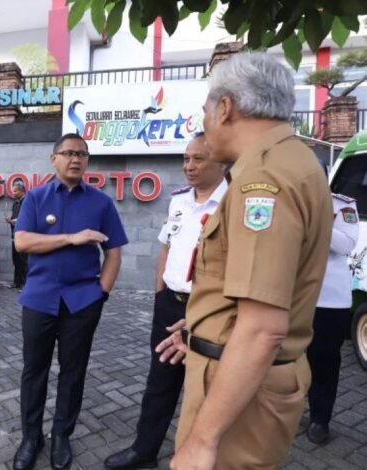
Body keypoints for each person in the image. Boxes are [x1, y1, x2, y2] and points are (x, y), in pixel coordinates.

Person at [156, 52, 332, 469]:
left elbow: (261, 330)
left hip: (240, 390)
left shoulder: (263, 181)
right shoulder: (295, 161)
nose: (204, 124)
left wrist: (202, 441)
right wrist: (202, 323)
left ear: (225, 107)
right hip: (242, 374)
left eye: (205, 110)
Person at [104, 133, 227, 470]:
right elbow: (166, 248)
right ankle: (144, 451)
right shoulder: (178, 202)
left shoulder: (233, 205)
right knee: (159, 381)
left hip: (209, 311)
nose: (189, 165)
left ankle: (197, 456)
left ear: (220, 161)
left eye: (198, 159)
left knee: (205, 387)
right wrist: (160, 291)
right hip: (169, 304)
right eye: (186, 158)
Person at [12, 133, 128, 470]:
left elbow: (114, 251)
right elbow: (22, 242)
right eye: (68, 153)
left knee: (73, 371)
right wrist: (70, 238)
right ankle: (31, 437)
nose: (75, 159)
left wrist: (101, 293)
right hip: (39, 299)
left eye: (81, 154)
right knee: (35, 371)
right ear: (54, 159)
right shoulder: (35, 198)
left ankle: (62, 435)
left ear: (87, 160)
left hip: (82, 302)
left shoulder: (101, 203)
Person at [306, 192, 359, 444]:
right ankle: (285, 410)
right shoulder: (283, 199)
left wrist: (316, 221)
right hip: (291, 297)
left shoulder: (342, 205)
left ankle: (320, 418)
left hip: (328, 300)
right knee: (283, 360)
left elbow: (347, 244)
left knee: (324, 362)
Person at [6, 181, 28, 290]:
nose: (13, 193)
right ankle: (16, 282)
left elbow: (28, 218)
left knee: (24, 261)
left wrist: (17, 221)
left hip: (24, 237)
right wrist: (10, 220)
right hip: (14, 236)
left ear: (21, 191)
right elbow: (14, 217)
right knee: (16, 260)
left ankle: (25, 285)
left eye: (15, 191)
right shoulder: (15, 203)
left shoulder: (27, 202)